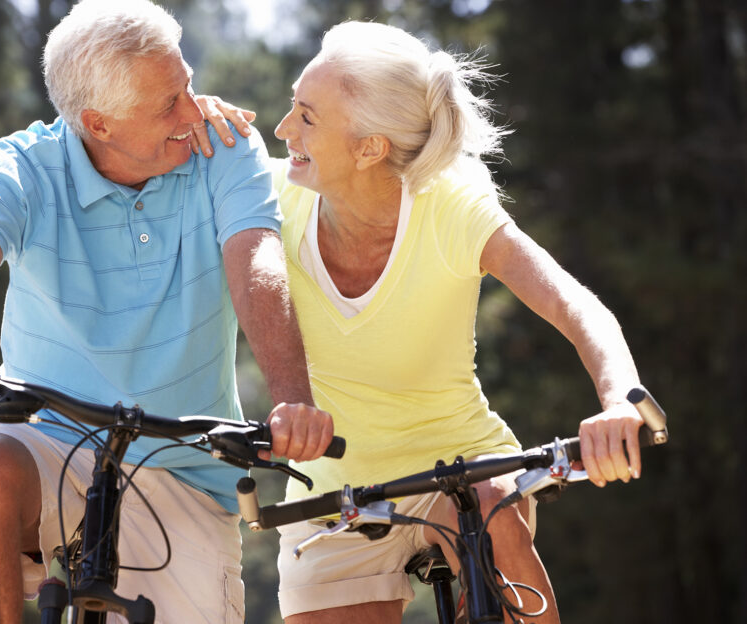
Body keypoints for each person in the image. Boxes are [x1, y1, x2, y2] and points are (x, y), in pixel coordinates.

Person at [194, 20, 648, 624]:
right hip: (333, 493)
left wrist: (620, 400)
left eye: (307, 116)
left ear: (369, 147)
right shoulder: (268, 200)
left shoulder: (451, 204)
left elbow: (573, 302)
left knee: (489, 513)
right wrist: (183, 122)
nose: (282, 131)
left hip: (460, 468)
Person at [0, 1, 334, 622]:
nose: (193, 112)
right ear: (97, 124)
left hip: (183, 464)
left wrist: (293, 397)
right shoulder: (23, 165)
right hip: (49, 443)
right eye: (167, 106)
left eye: (186, 85)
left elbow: (256, 263)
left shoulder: (223, 146)